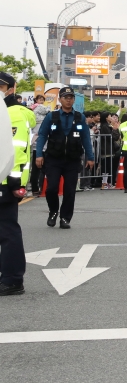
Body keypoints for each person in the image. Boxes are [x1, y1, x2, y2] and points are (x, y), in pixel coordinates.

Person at [36, 86, 95, 229]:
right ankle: (53, 211)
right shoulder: (52, 116)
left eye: (71, 98)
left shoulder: (79, 117)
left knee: (69, 191)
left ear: (73, 100)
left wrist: (90, 157)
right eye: (65, 98)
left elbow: (86, 138)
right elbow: (42, 135)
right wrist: (39, 154)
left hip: (72, 160)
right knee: (51, 188)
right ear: (60, 99)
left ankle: (65, 218)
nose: (68, 100)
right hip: (54, 159)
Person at [0, 73, 31, 295]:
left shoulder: (14, 114)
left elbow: (17, 149)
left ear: (10, 88)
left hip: (4, 180)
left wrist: (13, 182)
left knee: (7, 230)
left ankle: (12, 279)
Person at [28, 94, 50, 195]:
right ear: (36, 100)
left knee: (35, 169)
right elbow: (47, 110)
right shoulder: (41, 109)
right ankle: (42, 188)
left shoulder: (31, 111)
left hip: (35, 143)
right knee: (43, 168)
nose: (41, 101)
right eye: (40, 99)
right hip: (43, 145)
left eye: (42, 99)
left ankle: (35, 188)